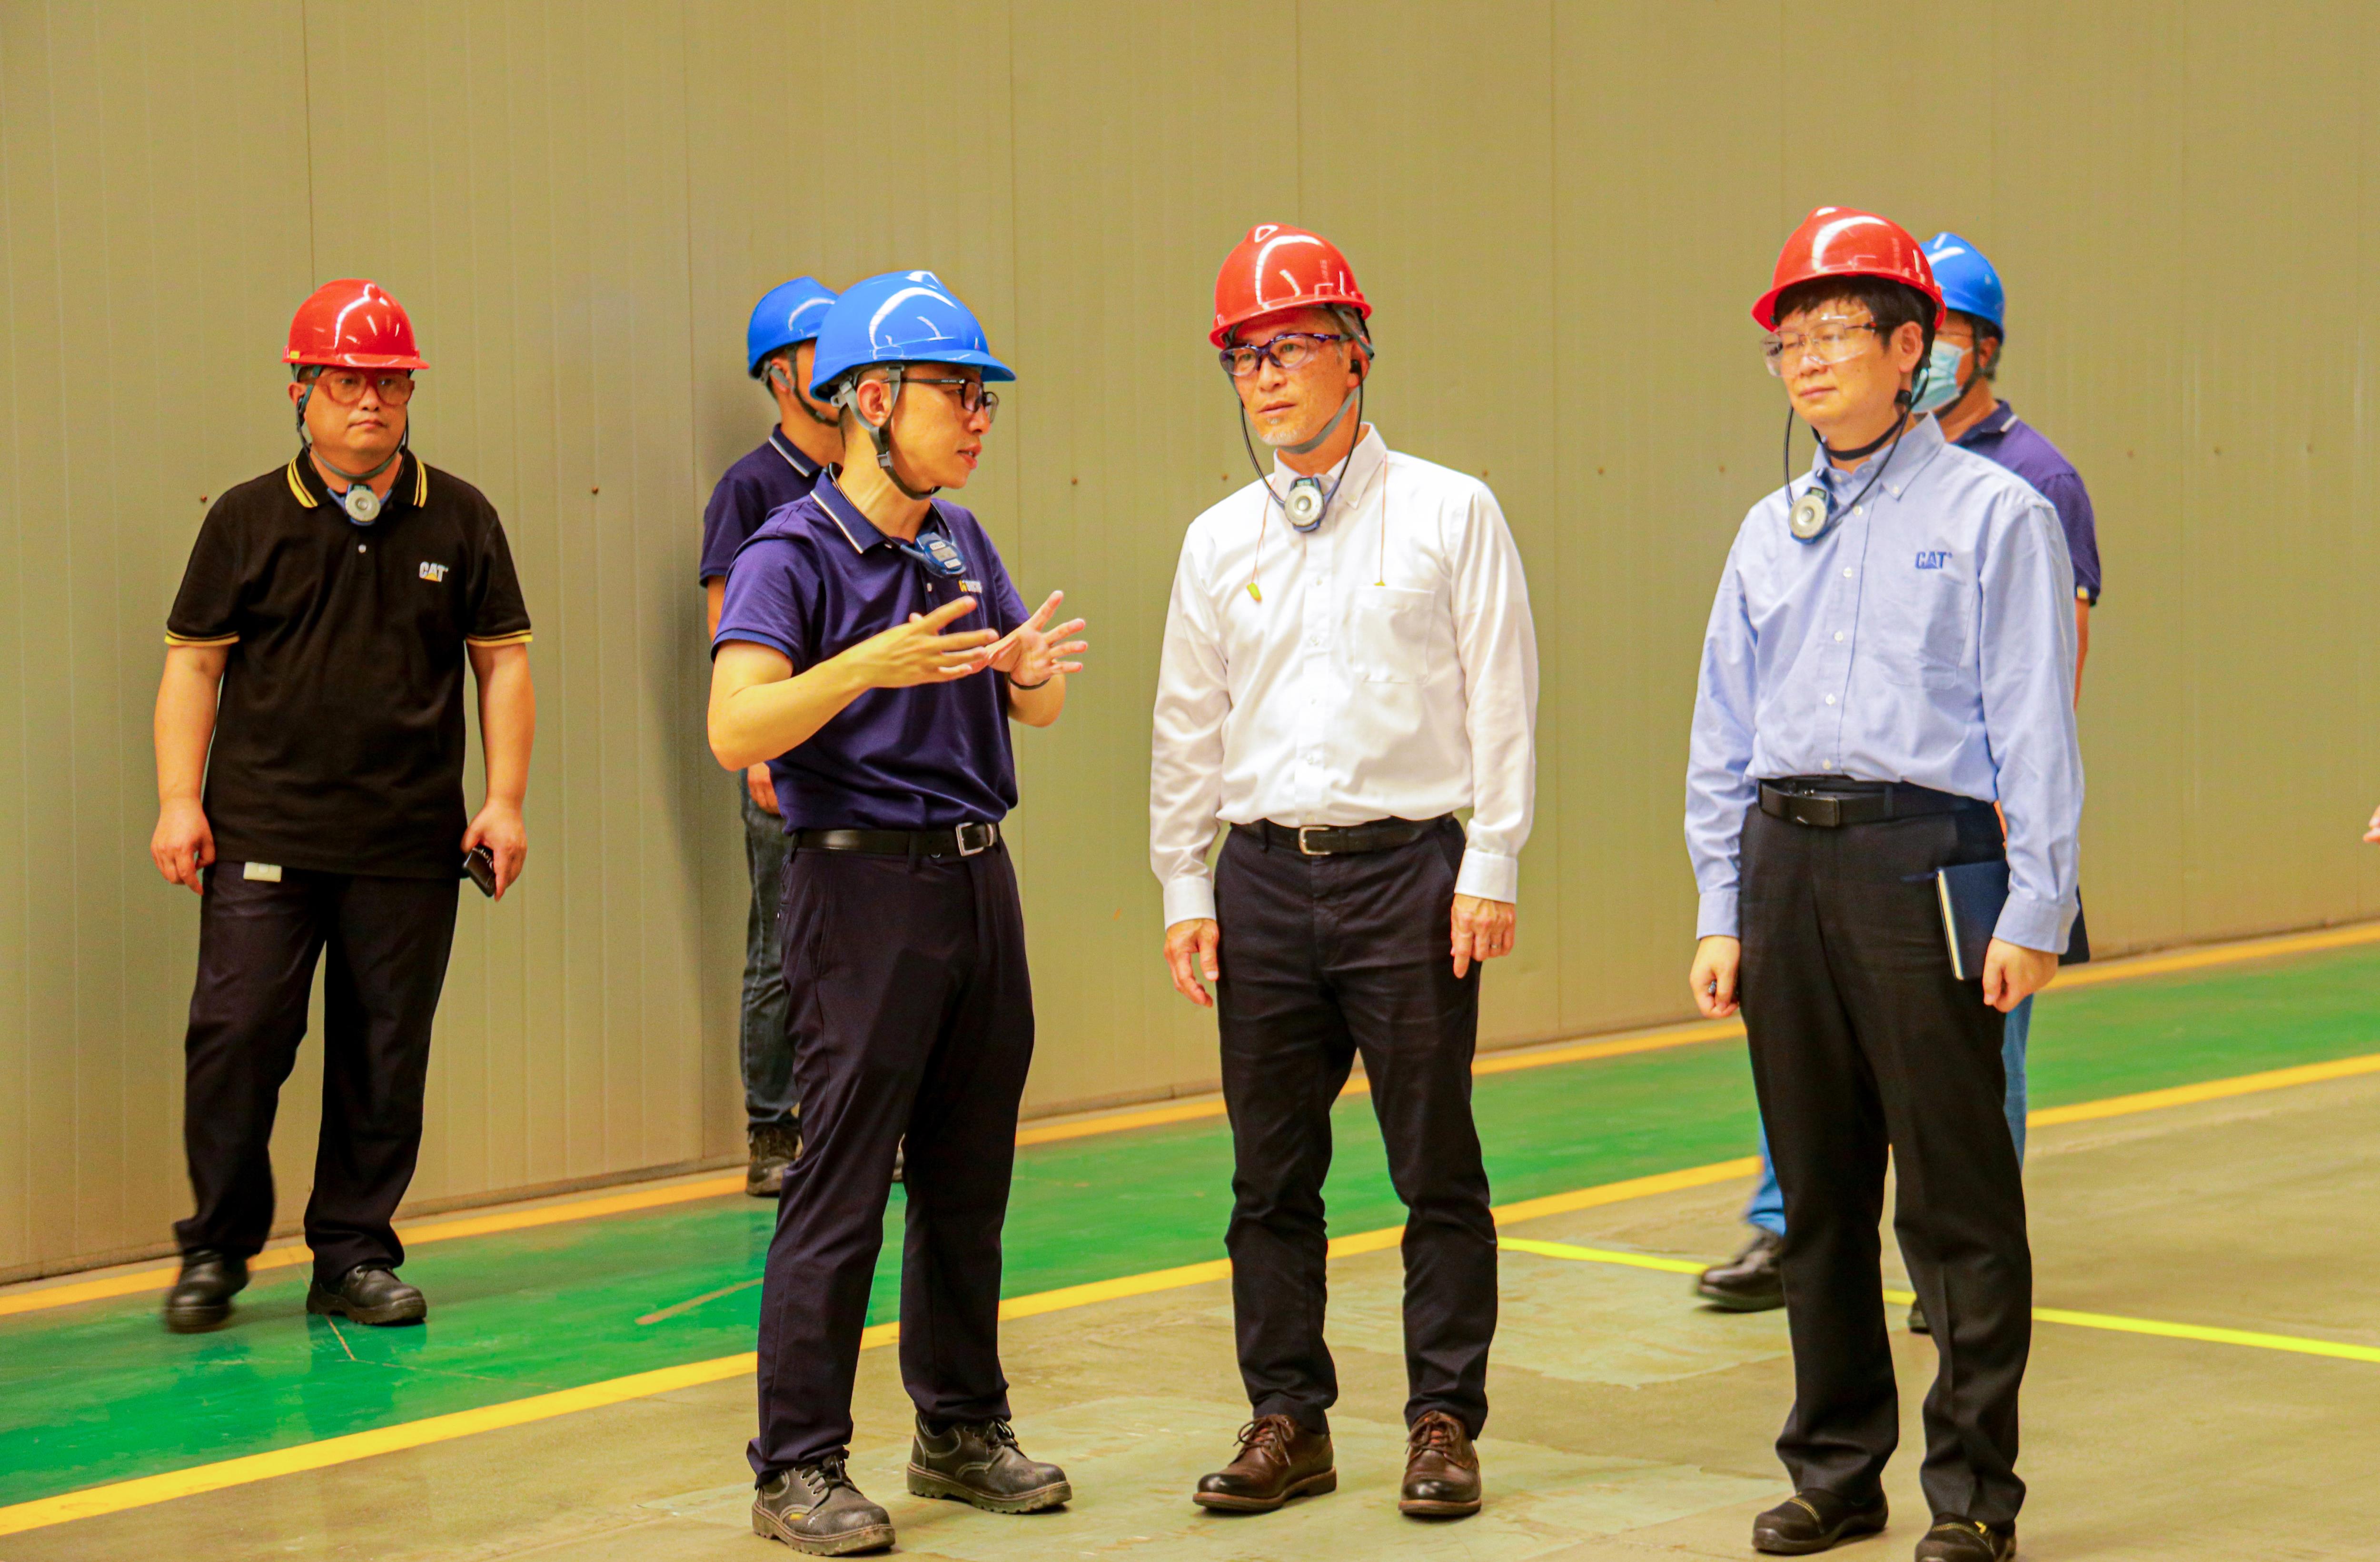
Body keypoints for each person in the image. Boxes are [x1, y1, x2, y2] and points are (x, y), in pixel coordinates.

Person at [1685, 209, 2082, 1562]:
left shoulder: (1996, 515)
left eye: (1835, 332)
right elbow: (1722, 732)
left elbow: (2035, 724)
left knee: (1955, 1200)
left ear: (1913, 350)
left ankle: (1972, 1496)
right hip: (1784, 861)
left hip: (1926, 857)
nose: (1805, 359)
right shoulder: (1767, 529)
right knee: (1816, 1190)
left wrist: (2036, 906)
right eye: (1788, 340)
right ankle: (1836, 1471)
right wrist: (1721, 907)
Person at [1150, 223, 1538, 1521]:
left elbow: (1503, 695)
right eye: (1244, 357)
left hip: (1408, 878)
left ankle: (1442, 1421)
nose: (1265, 378)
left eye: (1291, 347)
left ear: (1356, 355)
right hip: (1262, 881)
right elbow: (1186, 723)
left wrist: (1492, 858)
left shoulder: (1449, 510)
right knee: (1269, 1177)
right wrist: (1184, 883)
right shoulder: (1218, 541)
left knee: (1435, 1165)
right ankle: (1288, 1419)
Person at [710, 269, 1086, 1555]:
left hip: (978, 877)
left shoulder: (957, 539)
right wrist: (868, 661)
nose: (978, 419)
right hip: (861, 886)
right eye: (955, 393)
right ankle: (797, 1463)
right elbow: (735, 727)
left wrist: (1021, 672)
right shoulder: (791, 551)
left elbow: (1032, 703)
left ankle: (960, 1427)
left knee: (969, 1174)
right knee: (842, 1180)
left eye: (985, 398)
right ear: (871, 400)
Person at [150, 279, 536, 1335]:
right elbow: (195, 666)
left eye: (390, 382)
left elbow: (501, 663)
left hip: (407, 842)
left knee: (384, 1054)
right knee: (236, 1038)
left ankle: (354, 1253)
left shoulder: (461, 516)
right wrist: (179, 801)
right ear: (300, 389)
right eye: (347, 380)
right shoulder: (245, 519)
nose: (370, 400)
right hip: (263, 835)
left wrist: (503, 802)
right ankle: (217, 1247)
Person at [701, 276, 843, 1196]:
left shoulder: (865, 477)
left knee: (854, 944)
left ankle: (846, 1120)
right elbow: (729, 629)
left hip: (859, 754)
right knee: (781, 942)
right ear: (780, 375)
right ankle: (773, 1128)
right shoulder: (750, 488)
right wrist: (759, 748)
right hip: (783, 754)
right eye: (817, 353)